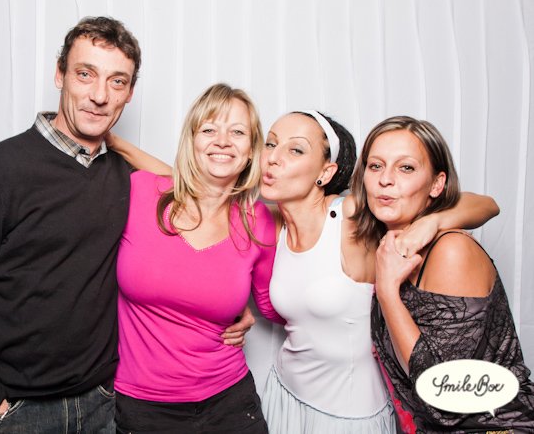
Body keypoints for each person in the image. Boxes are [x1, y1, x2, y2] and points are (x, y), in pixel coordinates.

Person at [0, 16, 141, 433]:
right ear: (60, 74)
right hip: (18, 411)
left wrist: (234, 305)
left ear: (129, 93)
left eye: (117, 82)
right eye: (85, 74)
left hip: (103, 404)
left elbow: (195, 197)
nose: (99, 96)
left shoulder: (126, 178)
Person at [254, 111, 500, 434]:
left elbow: (487, 204)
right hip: (284, 394)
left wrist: (433, 221)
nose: (273, 158)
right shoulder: (270, 222)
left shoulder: (351, 214)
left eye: (295, 149)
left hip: (348, 416)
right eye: (270, 144)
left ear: (326, 172)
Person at [111, 83, 277, 433]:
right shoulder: (141, 191)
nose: (223, 141)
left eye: (237, 132)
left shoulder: (258, 221)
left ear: (251, 150)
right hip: (144, 408)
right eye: (209, 129)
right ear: (192, 140)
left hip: (230, 401)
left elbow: (273, 304)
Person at [355, 116, 534, 432]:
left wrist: (387, 291)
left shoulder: (451, 250)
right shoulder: (387, 248)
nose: (386, 179)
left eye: (406, 168)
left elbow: (445, 398)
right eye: (376, 166)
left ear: (437, 184)